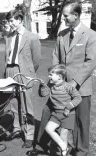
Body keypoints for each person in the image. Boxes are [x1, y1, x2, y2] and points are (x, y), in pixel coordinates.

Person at [27, 2, 96, 156]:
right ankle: (55, 147)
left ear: (76, 15)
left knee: (81, 121)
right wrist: (54, 80)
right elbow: (56, 57)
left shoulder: (91, 35)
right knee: (53, 113)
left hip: (81, 87)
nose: (63, 18)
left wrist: (74, 82)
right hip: (60, 86)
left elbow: (91, 62)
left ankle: (81, 150)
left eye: (66, 15)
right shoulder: (61, 34)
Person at [4, 9, 41, 148]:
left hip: (24, 72)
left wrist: (29, 73)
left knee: (27, 105)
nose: (10, 23)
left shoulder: (32, 37)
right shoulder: (8, 36)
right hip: (10, 71)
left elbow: (37, 59)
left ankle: (29, 135)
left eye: (12, 21)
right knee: (14, 102)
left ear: (19, 20)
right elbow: (6, 56)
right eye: (9, 21)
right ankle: (16, 129)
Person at [39, 64, 82, 156]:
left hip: (68, 115)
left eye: (51, 74)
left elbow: (78, 98)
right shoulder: (51, 86)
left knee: (63, 136)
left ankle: (63, 153)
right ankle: (63, 146)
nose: (48, 76)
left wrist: (68, 106)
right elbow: (43, 94)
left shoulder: (67, 87)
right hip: (56, 114)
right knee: (48, 128)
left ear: (59, 77)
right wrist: (43, 86)